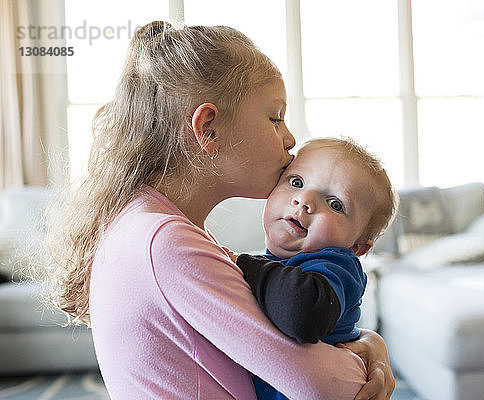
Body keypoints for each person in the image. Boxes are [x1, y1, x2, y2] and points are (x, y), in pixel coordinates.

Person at [43, 21, 395, 400]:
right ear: (208, 127)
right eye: (275, 117)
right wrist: (365, 354)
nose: (290, 139)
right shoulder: (165, 243)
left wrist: (365, 339)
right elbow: (322, 385)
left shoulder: (149, 224)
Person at [229, 138, 397, 400]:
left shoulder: (338, 265)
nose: (304, 200)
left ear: (356, 247)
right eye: (296, 182)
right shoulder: (268, 265)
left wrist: (243, 264)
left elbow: (301, 311)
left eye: (335, 204)